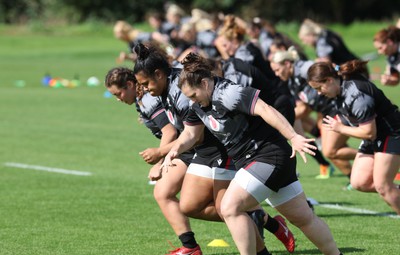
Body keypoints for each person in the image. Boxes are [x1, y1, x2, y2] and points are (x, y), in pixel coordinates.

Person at [163, 52, 343, 255]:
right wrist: (175, 150)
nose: (193, 101)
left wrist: (293, 136)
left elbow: (265, 109)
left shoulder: (228, 92)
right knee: (304, 218)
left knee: (229, 207)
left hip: (267, 155)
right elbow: (190, 133)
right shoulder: (199, 104)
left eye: (193, 95)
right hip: (263, 159)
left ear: (205, 84)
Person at [132, 43, 275, 255]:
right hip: (202, 150)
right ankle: (257, 218)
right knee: (189, 206)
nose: (144, 89)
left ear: (158, 74)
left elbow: (195, 132)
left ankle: (259, 232)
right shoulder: (164, 90)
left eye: (145, 83)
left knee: (225, 208)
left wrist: (162, 153)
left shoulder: (179, 90)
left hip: (221, 147)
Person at [307, 60, 400, 215]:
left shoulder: (357, 95)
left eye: (319, 88)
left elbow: (369, 132)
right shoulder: (338, 86)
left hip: (390, 133)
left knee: (383, 187)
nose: (318, 92)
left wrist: (341, 128)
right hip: (375, 135)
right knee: (359, 182)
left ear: (329, 80)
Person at [270, 48, 357, 181]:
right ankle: (353, 178)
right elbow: (303, 107)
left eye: (277, 69)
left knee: (329, 151)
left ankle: (374, 156)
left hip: (338, 109)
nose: (276, 74)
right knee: (330, 151)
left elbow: (327, 70)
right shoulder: (292, 82)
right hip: (326, 113)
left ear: (287, 63)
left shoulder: (305, 69)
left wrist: (279, 120)